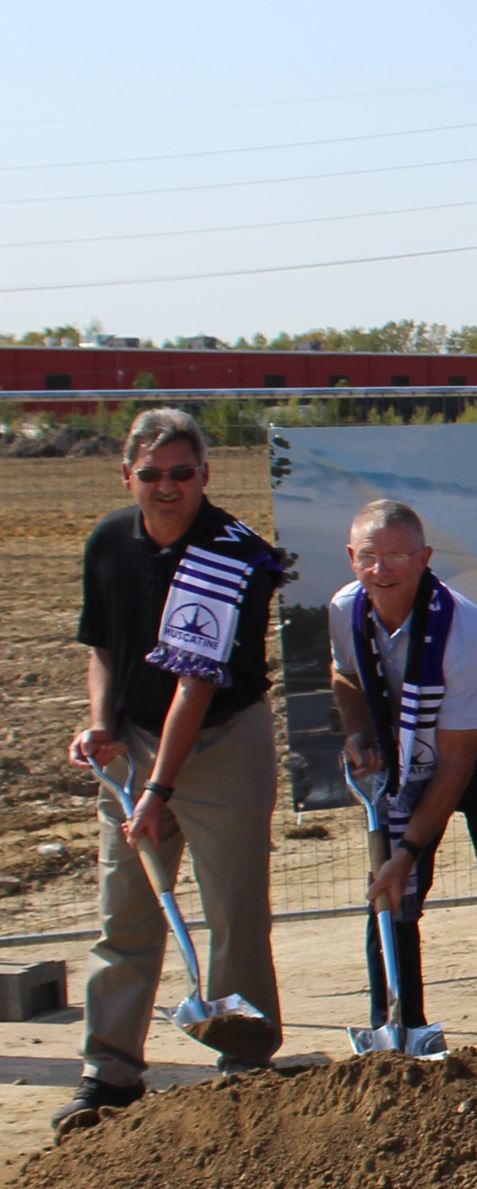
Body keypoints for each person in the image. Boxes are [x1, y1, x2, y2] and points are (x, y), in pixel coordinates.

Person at [58, 408, 283, 1132]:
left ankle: (244, 1064)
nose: (166, 487)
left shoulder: (232, 552)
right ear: (128, 477)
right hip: (133, 739)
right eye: (150, 474)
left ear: (204, 477)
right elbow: (101, 645)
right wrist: (101, 721)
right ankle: (110, 1070)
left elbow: (198, 681)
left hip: (222, 742)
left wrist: (158, 790)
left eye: (181, 473)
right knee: (125, 910)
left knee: (233, 911)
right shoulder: (107, 541)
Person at [328, 499, 477, 1049]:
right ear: (352, 558)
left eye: (397, 556)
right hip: (404, 755)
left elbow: (457, 760)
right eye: (370, 557)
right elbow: (345, 674)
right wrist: (359, 733)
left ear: (424, 558)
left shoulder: (463, 627)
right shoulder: (344, 608)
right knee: (390, 895)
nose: (383, 570)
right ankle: (397, 1027)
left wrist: (408, 851)